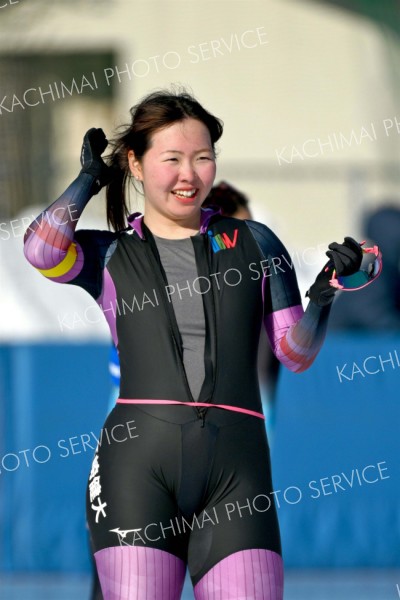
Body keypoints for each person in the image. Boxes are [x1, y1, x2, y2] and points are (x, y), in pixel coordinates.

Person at [23, 89, 363, 600]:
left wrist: (322, 298)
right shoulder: (110, 252)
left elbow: (295, 353)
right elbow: (40, 250)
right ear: (136, 164)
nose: (190, 174)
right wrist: (89, 179)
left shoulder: (255, 242)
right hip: (136, 471)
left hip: (238, 473)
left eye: (203, 158)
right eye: (173, 159)